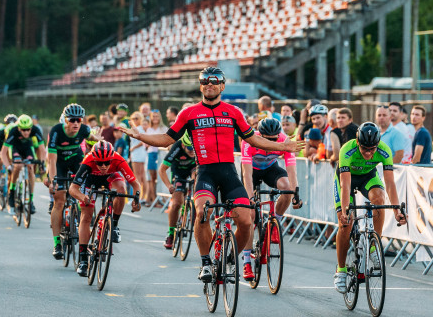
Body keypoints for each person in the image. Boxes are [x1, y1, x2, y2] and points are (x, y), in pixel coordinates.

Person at [118, 66, 303, 283]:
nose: (209, 84)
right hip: (205, 171)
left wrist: (283, 147)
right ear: (200, 86)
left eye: (214, 81)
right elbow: (167, 139)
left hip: (227, 171)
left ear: (222, 86)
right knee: (201, 212)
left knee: (245, 219)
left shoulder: (234, 112)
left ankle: (232, 256)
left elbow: (253, 139)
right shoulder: (189, 113)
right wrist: (140, 136)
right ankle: (206, 262)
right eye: (205, 81)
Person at [334, 122, 406, 293]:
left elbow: (389, 182)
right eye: (364, 148)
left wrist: (396, 210)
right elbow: (345, 184)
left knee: (379, 199)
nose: (368, 153)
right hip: (347, 179)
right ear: (357, 142)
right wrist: (345, 210)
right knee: (346, 223)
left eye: (372, 149)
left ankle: (374, 245)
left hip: (368, 177)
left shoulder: (384, 150)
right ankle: (341, 270)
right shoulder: (347, 149)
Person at [68, 141, 142, 276]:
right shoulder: (88, 161)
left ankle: (114, 225)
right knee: (86, 216)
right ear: (94, 159)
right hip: (90, 180)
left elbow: (135, 184)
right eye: (99, 163)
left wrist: (136, 200)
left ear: (111, 159)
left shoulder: (119, 159)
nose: (103, 166)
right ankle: (83, 259)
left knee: (121, 188)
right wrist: (83, 197)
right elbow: (73, 189)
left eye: (107, 162)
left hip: (110, 178)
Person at [241, 117, 301, 279]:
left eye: (274, 139)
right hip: (251, 171)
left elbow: (292, 170)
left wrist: (295, 193)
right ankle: (247, 261)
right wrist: (249, 196)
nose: (272, 142)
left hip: (270, 169)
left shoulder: (284, 140)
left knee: (287, 188)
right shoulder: (250, 139)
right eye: (268, 140)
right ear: (260, 135)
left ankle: (275, 222)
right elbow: (246, 174)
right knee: (251, 215)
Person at [44, 104, 99, 259]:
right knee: (59, 200)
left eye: (79, 120)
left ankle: (83, 217)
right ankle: (57, 243)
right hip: (59, 164)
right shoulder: (56, 131)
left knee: (86, 184)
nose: (76, 123)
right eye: (72, 120)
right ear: (65, 120)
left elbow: (93, 138)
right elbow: (52, 160)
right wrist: (53, 181)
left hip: (76, 160)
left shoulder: (84, 129)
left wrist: (99, 140)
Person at [2, 114, 46, 217]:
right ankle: (12, 193)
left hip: (27, 148)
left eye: (28, 130)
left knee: (31, 167)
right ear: (18, 128)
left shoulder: (35, 130)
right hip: (15, 149)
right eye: (23, 130)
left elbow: (42, 150)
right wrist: (8, 166)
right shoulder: (13, 131)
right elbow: (3, 152)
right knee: (17, 166)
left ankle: (30, 200)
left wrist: (42, 164)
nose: (26, 132)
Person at [159, 132, 197, 248]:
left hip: (193, 169)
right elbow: (162, 170)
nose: (191, 151)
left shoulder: (199, 147)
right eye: (189, 148)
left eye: (193, 148)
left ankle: (193, 214)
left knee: (197, 181)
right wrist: (169, 185)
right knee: (176, 203)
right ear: (183, 146)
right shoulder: (176, 147)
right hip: (178, 173)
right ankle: (171, 233)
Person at [145, 110, 166, 206]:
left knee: (159, 177)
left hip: (160, 153)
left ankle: (161, 198)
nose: (155, 118)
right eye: (153, 116)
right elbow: (146, 143)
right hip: (151, 153)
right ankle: (154, 199)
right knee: (152, 177)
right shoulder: (149, 129)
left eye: (157, 116)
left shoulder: (163, 128)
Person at [128, 112, 148, 203]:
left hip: (138, 153)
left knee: (138, 177)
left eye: (137, 118)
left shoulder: (140, 129)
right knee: (142, 176)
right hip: (137, 154)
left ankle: (137, 198)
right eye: (133, 118)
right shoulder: (135, 128)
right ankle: (142, 197)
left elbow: (143, 140)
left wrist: (133, 148)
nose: (135, 120)